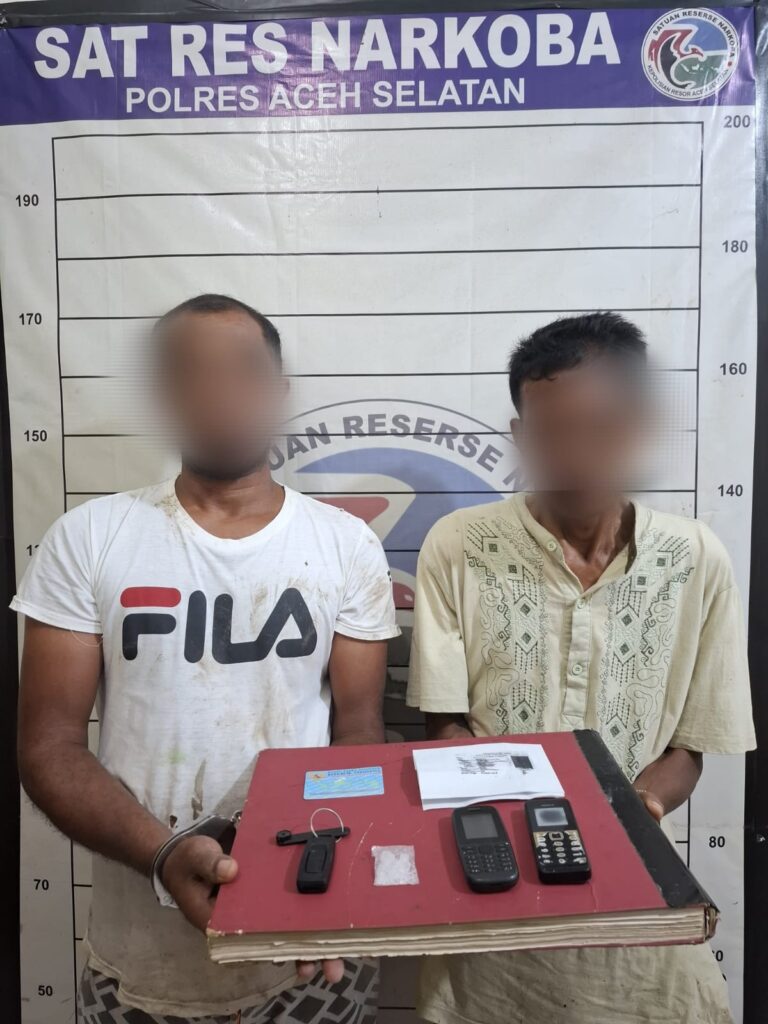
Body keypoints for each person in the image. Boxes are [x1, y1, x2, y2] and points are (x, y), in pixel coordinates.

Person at [14, 294, 399, 1024]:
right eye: (192, 372)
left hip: (308, 947)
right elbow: (49, 747)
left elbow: (358, 734)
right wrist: (163, 854)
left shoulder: (345, 544)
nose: (220, 392)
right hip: (140, 956)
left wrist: (325, 877)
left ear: (277, 391)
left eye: (242, 371)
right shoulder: (89, 537)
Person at [406, 312, 755, 1024]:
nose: (576, 455)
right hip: (494, 900)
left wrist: (636, 810)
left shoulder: (696, 559)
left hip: (638, 902)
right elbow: (445, 726)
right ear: (521, 436)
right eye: (553, 432)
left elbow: (690, 747)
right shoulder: (457, 546)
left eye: (600, 428)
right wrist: (510, 830)